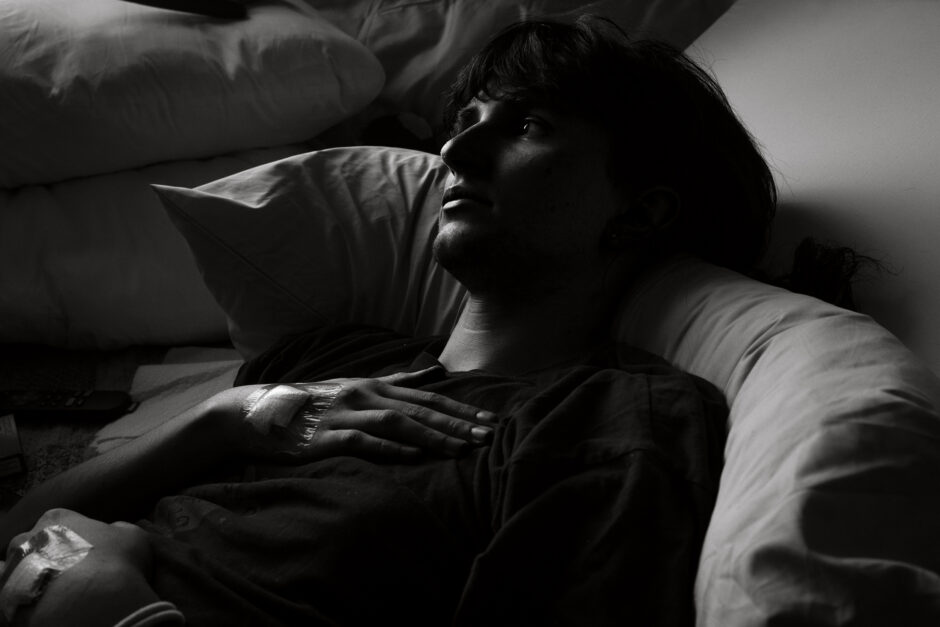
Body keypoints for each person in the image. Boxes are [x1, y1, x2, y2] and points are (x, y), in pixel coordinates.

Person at [0, 15, 775, 626]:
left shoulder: (610, 423)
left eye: (528, 126)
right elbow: (25, 524)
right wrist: (224, 416)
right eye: (468, 116)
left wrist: (115, 613)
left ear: (640, 212)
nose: (457, 147)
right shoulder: (331, 354)